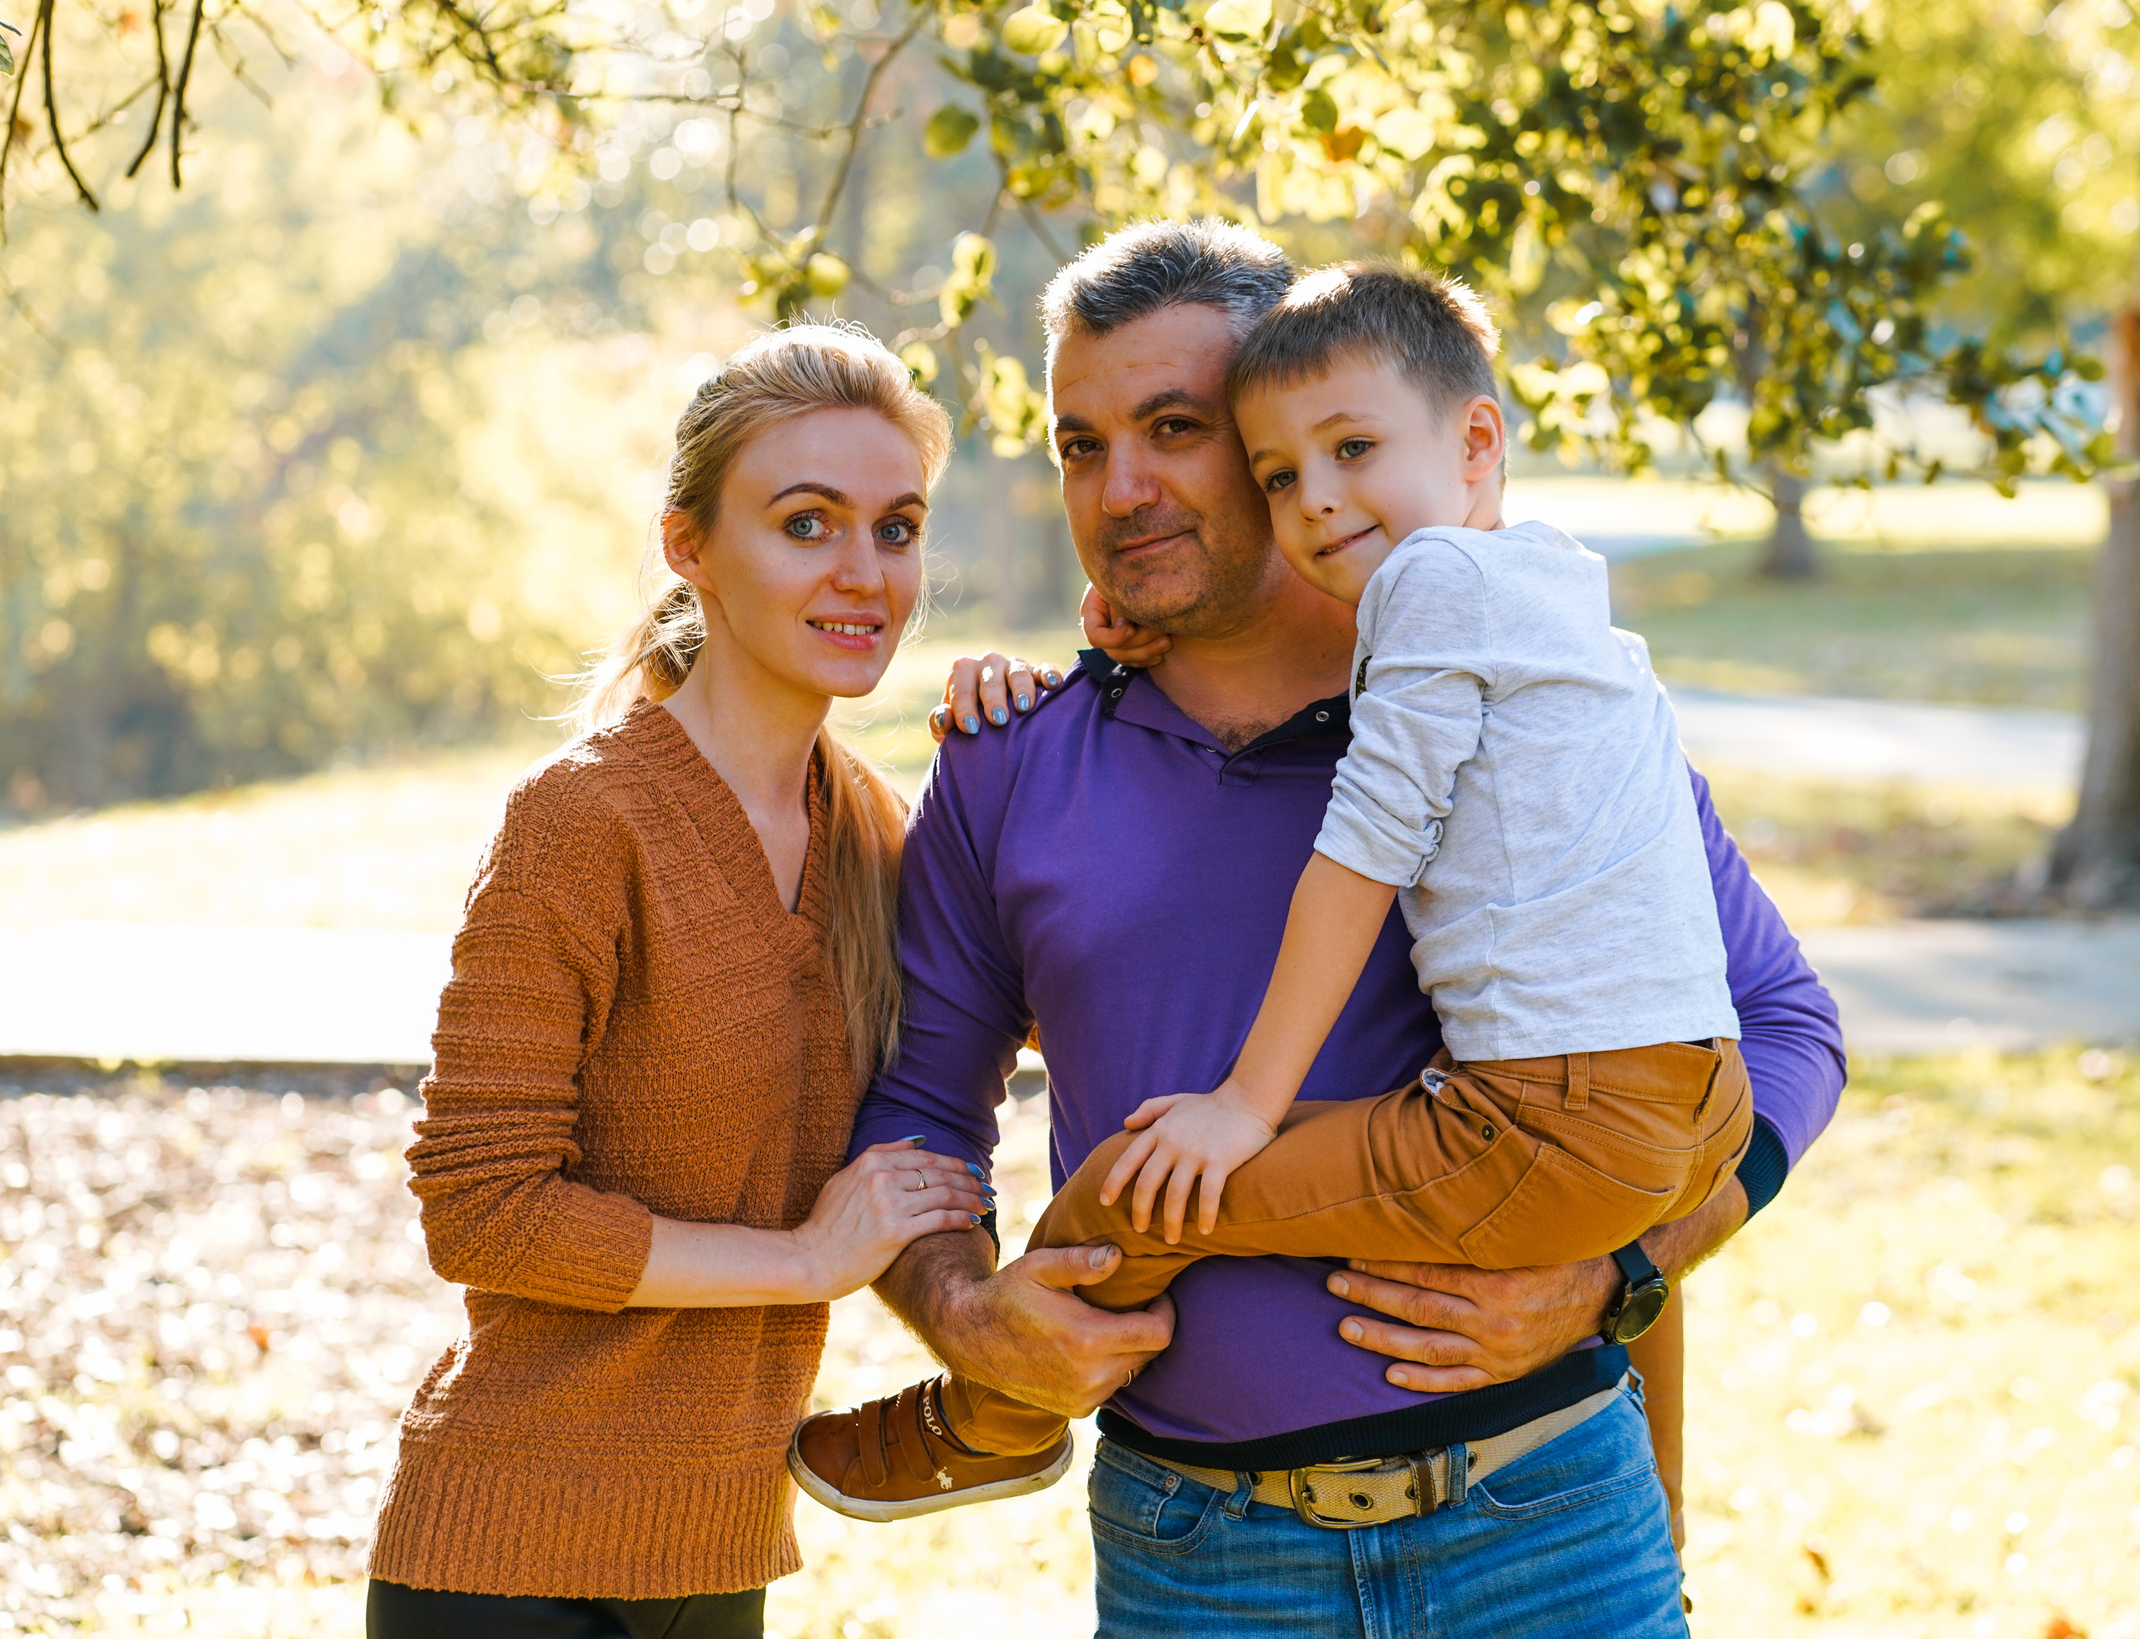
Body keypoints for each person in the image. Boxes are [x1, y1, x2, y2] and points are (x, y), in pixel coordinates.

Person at [790, 220, 1847, 1635]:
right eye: (1081, 443)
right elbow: (918, 1110)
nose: (1124, 487)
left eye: (1177, 427)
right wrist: (974, 1319)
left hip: (1546, 1523)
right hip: (1198, 1558)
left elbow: (1780, 1024)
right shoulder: (1012, 759)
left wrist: (1621, 1275)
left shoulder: (1518, 713)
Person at [364, 325, 997, 1639]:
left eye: (896, 528)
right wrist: (808, 1256)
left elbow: (1058, 986)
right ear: (689, 547)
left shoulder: (870, 829)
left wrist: (1074, 720)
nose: (863, 572)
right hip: (512, 1558)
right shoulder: (584, 826)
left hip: (717, 1558)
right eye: (806, 522)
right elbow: (480, 1212)